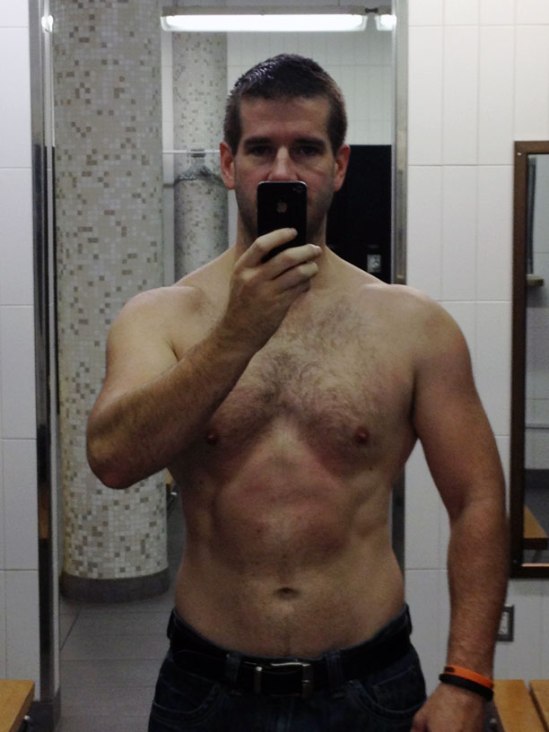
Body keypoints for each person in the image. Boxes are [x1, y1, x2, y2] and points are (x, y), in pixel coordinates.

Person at [86, 54, 508, 731]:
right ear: (229, 164)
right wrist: (236, 334)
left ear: (339, 166)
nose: (282, 171)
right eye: (261, 149)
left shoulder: (412, 325)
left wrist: (467, 678)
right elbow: (112, 459)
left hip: (369, 685)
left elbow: (478, 499)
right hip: (207, 689)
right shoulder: (162, 316)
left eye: (306, 149)